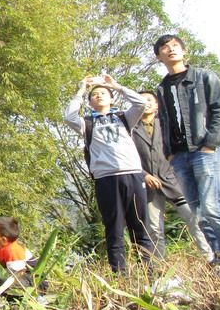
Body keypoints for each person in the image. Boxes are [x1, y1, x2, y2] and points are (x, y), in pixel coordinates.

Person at [154, 34, 220, 265]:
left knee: (212, 208)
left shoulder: (203, 77)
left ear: (183, 51)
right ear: (159, 57)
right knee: (198, 213)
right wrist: (169, 152)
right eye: (164, 48)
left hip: (204, 151)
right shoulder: (162, 88)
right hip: (179, 156)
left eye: (174, 46)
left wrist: (210, 143)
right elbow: (163, 121)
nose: (170, 50)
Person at [64, 75, 156, 272]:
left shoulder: (124, 117)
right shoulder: (87, 123)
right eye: (94, 95)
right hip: (105, 179)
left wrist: (116, 86)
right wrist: (81, 90)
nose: (99, 96)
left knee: (139, 226)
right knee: (113, 229)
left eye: (103, 93)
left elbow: (140, 103)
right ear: (89, 102)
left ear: (112, 99)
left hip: (132, 174)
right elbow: (69, 117)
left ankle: (149, 275)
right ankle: (119, 275)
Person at [131, 90, 213, 261]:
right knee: (154, 228)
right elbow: (126, 158)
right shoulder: (130, 129)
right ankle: (160, 268)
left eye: (149, 100)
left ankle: (210, 258)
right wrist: (144, 175)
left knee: (194, 220)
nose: (145, 103)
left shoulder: (166, 125)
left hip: (174, 181)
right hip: (148, 186)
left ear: (156, 105)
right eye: (141, 100)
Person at [0, 216, 38, 288]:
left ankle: (30, 296)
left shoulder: (13, 250)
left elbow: (19, 273)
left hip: (32, 281)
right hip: (13, 274)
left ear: (3, 240)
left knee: (11, 282)